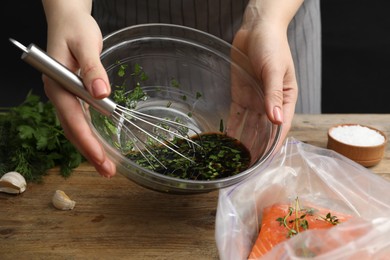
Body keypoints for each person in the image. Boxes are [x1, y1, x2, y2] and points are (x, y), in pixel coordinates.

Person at [41, 0, 321, 178]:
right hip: (134, 27)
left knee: (283, 173)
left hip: (271, 26)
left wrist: (268, 19)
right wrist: (67, 11)